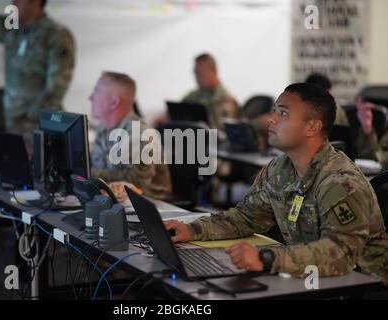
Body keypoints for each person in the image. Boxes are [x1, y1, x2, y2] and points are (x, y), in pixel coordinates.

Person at [164, 83, 388, 284]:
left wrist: (268, 259)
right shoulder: (279, 169)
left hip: (363, 285)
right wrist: (191, 229)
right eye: (274, 111)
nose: (272, 119)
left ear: (312, 127)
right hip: (312, 278)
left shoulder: (340, 182)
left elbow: (341, 254)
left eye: (283, 113)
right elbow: (246, 217)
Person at [0, 0, 76, 153]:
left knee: (38, 169)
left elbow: (58, 84)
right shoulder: (13, 28)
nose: (14, 2)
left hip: (36, 124)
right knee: (16, 169)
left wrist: (34, 116)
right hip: (12, 119)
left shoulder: (55, 34)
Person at [90, 72, 172, 201]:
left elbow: (136, 183)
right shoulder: (104, 127)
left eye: (97, 92)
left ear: (114, 102)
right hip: (114, 201)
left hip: (149, 204)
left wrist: (89, 172)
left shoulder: (139, 133)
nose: (90, 98)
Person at [182, 53, 241, 129]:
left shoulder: (226, 100)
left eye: (200, 73)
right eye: (195, 73)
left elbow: (223, 132)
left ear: (213, 71)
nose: (196, 77)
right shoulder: (192, 97)